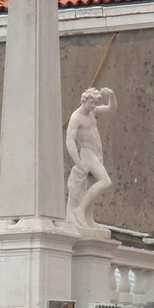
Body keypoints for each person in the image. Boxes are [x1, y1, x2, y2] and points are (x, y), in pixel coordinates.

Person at [65, 88, 116, 228]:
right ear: (84, 100)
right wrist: (78, 162)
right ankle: (79, 210)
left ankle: (89, 218)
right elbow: (70, 141)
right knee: (106, 181)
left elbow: (111, 109)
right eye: (91, 103)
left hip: (97, 154)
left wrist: (112, 95)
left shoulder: (92, 112)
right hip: (87, 154)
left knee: (92, 186)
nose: (93, 106)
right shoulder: (76, 118)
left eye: (95, 103)